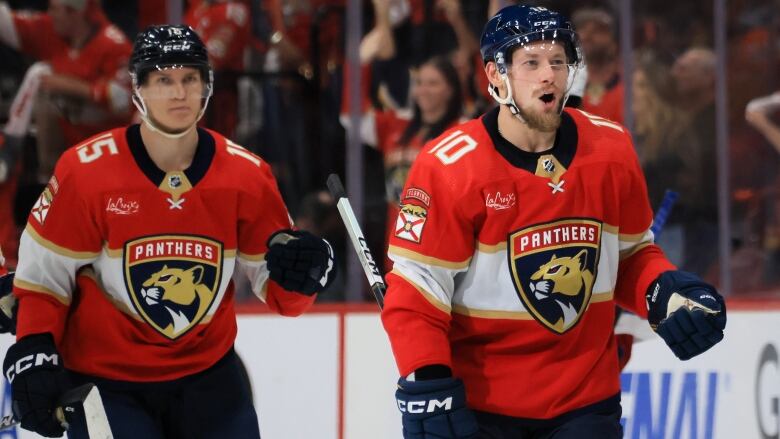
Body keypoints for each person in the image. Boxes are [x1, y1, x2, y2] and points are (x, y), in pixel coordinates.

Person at [380, 5, 727, 438]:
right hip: (484, 408)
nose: (548, 75)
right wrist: (427, 379)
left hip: (585, 403)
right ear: (495, 75)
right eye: (531, 62)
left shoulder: (611, 148)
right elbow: (417, 291)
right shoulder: (449, 166)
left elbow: (633, 256)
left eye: (558, 61)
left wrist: (666, 294)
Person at [2, 25, 336, 439]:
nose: (179, 93)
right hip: (107, 382)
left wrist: (303, 275)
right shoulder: (86, 172)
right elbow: (42, 282)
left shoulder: (246, 175)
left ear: (206, 85)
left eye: (189, 78)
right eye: (163, 80)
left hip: (208, 378)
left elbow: (285, 300)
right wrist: (34, 350)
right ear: (138, 90)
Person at [0, 0, 133, 182]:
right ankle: (34, 165)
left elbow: (125, 101)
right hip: (69, 136)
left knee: (44, 78)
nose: (49, 14)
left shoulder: (113, 43)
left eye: (55, 9)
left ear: (75, 13)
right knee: (40, 73)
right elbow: (6, 22)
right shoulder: (51, 29)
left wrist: (75, 87)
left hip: (110, 142)